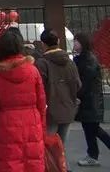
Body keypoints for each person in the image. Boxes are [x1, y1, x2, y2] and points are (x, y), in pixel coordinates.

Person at [0, 29, 46, 171]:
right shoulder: (33, 70)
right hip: (32, 121)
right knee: (32, 162)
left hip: (7, 121)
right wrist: (40, 123)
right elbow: (42, 102)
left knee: (9, 162)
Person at [35, 28, 80, 170]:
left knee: (47, 145)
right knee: (61, 144)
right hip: (68, 109)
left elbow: (38, 88)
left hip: (50, 111)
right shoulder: (70, 62)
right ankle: (62, 167)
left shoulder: (42, 63)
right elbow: (78, 84)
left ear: (43, 44)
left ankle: (51, 168)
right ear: (59, 41)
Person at [73, 32, 110, 167]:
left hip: (91, 101)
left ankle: (92, 155)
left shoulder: (88, 60)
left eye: (77, 41)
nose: (74, 43)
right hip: (88, 102)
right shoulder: (81, 58)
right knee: (91, 129)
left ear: (83, 43)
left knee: (93, 129)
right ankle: (92, 155)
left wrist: (77, 96)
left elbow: (85, 83)